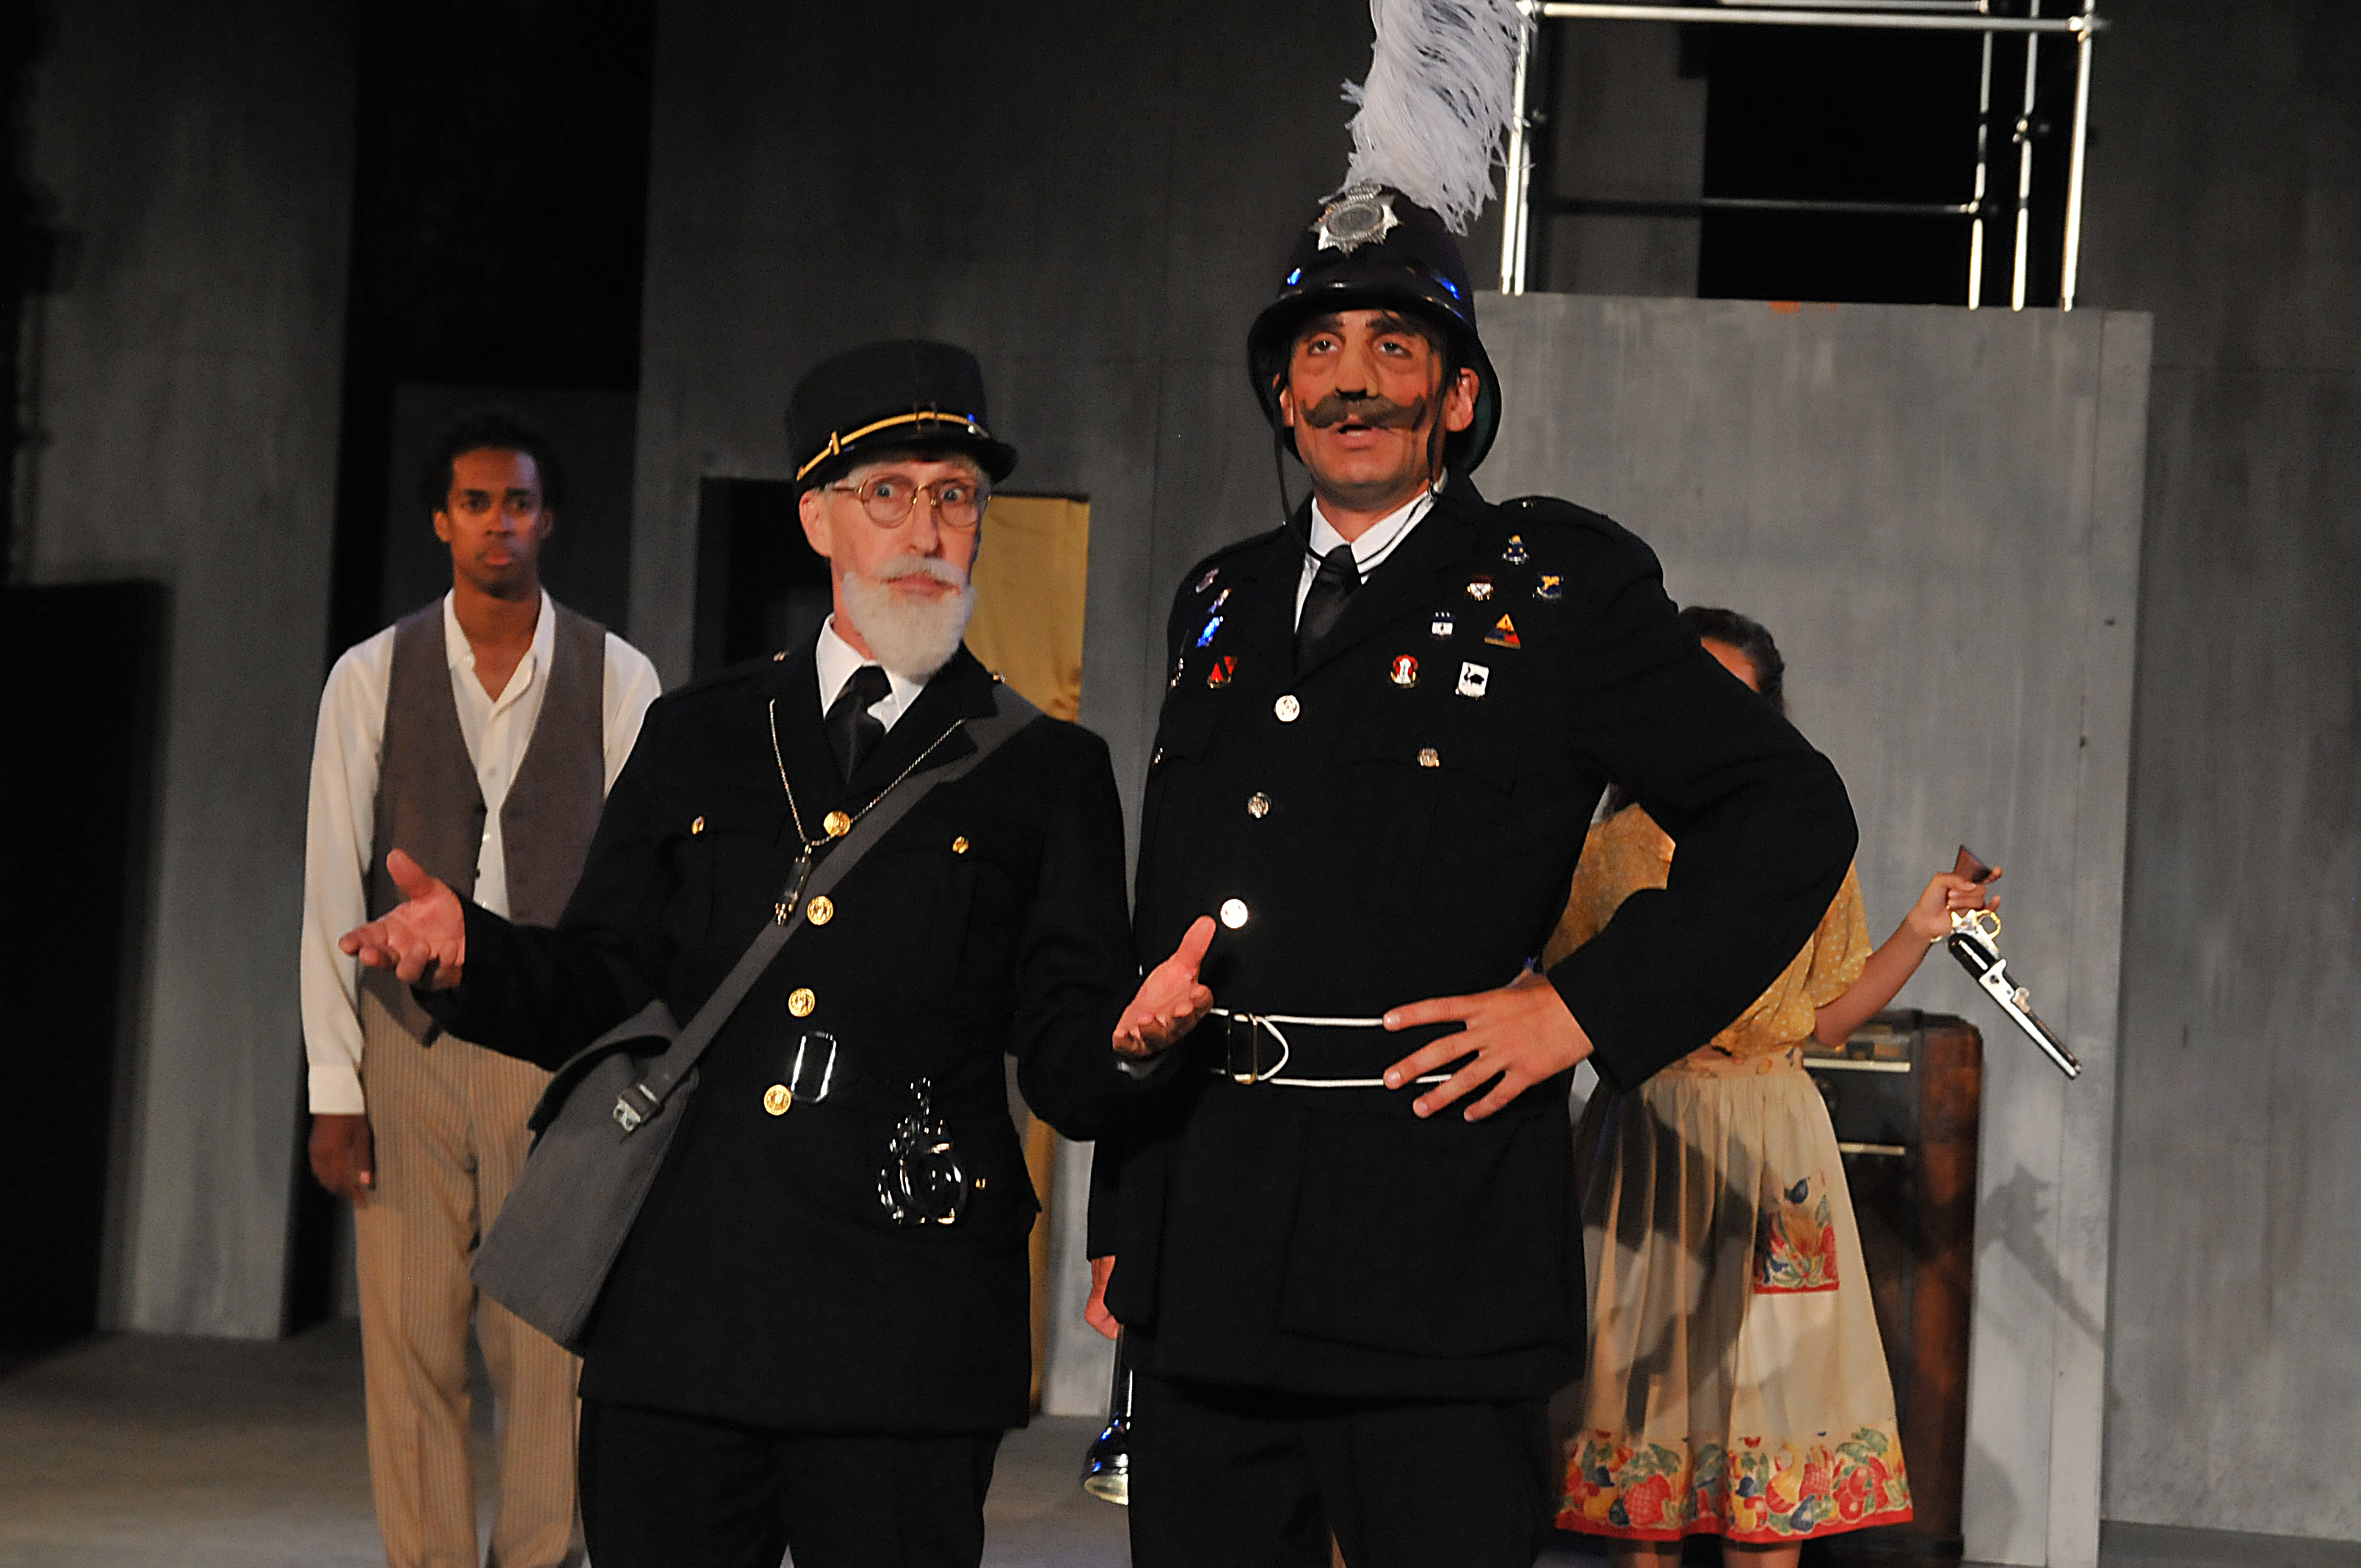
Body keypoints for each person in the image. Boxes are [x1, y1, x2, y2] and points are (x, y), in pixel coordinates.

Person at [1081, 184, 1861, 1568]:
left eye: (1394, 346)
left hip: (1432, 1255)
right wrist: (1127, 1210)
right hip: (1211, 1248)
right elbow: (1170, 914)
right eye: (1320, 349)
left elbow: (1789, 813)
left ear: (1455, 396)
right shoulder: (1219, 596)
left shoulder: (1557, 592)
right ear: (1281, 396)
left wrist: (1581, 1011)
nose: (1354, 381)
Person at [333, 341, 1208, 1568]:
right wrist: (469, 954)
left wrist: (1132, 1042)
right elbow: (602, 979)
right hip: (687, 1312)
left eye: (956, 495)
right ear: (817, 518)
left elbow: (1063, 1048)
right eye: (887, 492)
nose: (927, 528)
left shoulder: (1047, 770)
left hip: (906, 1325)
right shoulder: (698, 734)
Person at [1549, 606, 1994, 1565]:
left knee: (1774, 1424)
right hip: (1652, 1137)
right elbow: (1557, 1008)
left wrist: (1920, 930)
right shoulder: (1601, 851)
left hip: (1775, 1141)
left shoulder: (1799, 838)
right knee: (1642, 1429)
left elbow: (1826, 1016)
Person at [300, 410, 661, 1568]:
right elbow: (329, 884)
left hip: (555, 1044)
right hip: (408, 1044)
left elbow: (643, 885)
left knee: (546, 1344)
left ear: (548, 519)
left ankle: (540, 1558)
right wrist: (334, 1085)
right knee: (410, 1341)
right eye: (475, 502)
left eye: (517, 502)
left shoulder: (618, 676)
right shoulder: (372, 674)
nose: (497, 522)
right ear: (440, 521)